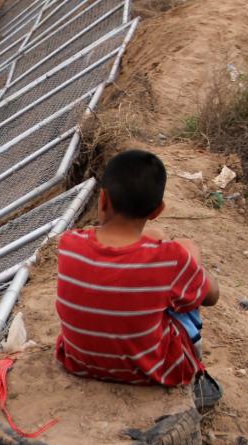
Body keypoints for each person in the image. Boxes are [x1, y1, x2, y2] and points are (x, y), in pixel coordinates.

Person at [55, 149, 222, 407]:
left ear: (103, 200)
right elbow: (212, 297)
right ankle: (195, 372)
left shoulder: (69, 243)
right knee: (186, 260)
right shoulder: (170, 258)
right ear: (157, 210)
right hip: (153, 371)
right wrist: (191, 259)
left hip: (78, 362)